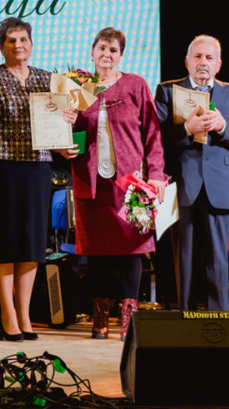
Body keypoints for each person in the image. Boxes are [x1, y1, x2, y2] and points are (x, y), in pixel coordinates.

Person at [67, 27, 167, 340]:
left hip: (130, 183)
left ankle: (128, 316)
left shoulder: (136, 84)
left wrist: (156, 174)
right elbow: (67, 135)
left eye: (113, 50)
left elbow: (153, 134)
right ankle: (100, 314)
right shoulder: (78, 88)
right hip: (91, 181)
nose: (107, 55)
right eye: (102, 48)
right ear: (92, 52)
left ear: (121, 55)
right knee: (96, 249)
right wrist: (64, 135)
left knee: (132, 247)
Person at [154, 35, 229, 311]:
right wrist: (187, 129)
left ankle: (218, 317)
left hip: (219, 185)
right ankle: (185, 315)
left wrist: (223, 126)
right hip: (182, 182)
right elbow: (156, 138)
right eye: (197, 56)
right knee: (183, 256)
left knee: (218, 258)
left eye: (209, 57)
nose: (203, 62)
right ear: (187, 62)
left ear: (218, 64)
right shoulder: (167, 90)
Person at [0, 16, 55, 341]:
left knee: (32, 242)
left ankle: (24, 314)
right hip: (2, 166)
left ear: (32, 44)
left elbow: (58, 122)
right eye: (11, 40)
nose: (18, 45)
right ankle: (7, 314)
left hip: (39, 166)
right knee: (5, 241)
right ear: (2, 47)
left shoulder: (47, 78)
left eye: (23, 39)